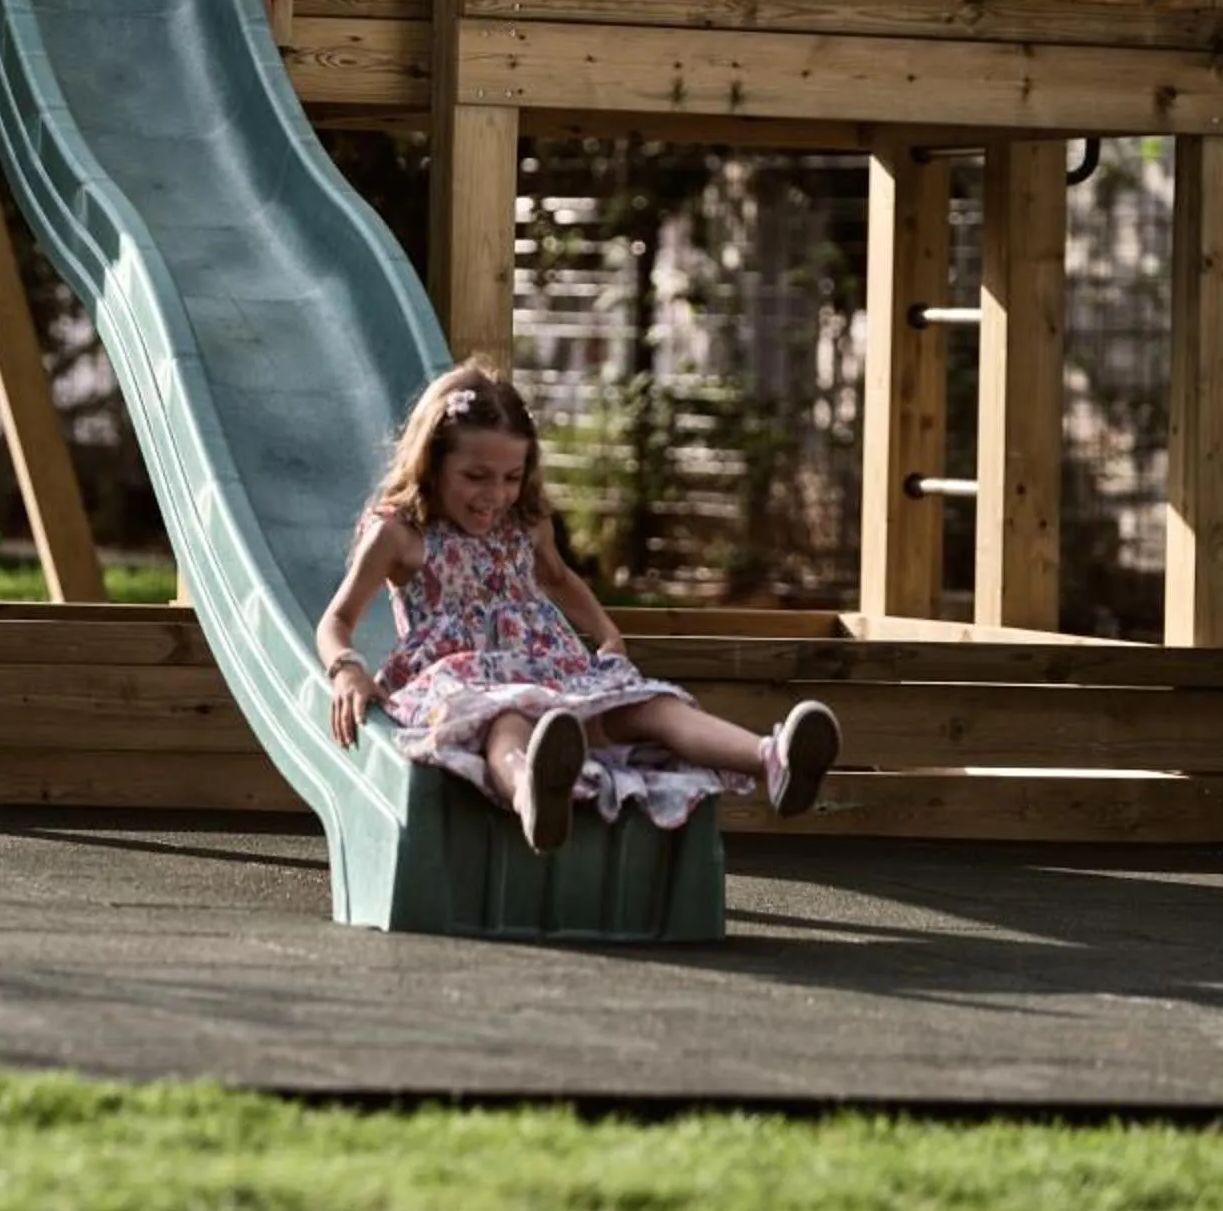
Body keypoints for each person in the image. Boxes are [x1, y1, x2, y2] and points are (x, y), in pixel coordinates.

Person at [314, 363, 843, 854]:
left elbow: (560, 579)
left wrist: (607, 633)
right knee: (508, 723)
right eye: (475, 476)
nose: (494, 494)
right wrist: (347, 670)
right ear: (431, 463)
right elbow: (336, 620)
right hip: (466, 682)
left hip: (555, 673)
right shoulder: (401, 533)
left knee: (653, 708)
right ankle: (532, 795)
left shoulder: (524, 522)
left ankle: (773, 760)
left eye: (511, 476)